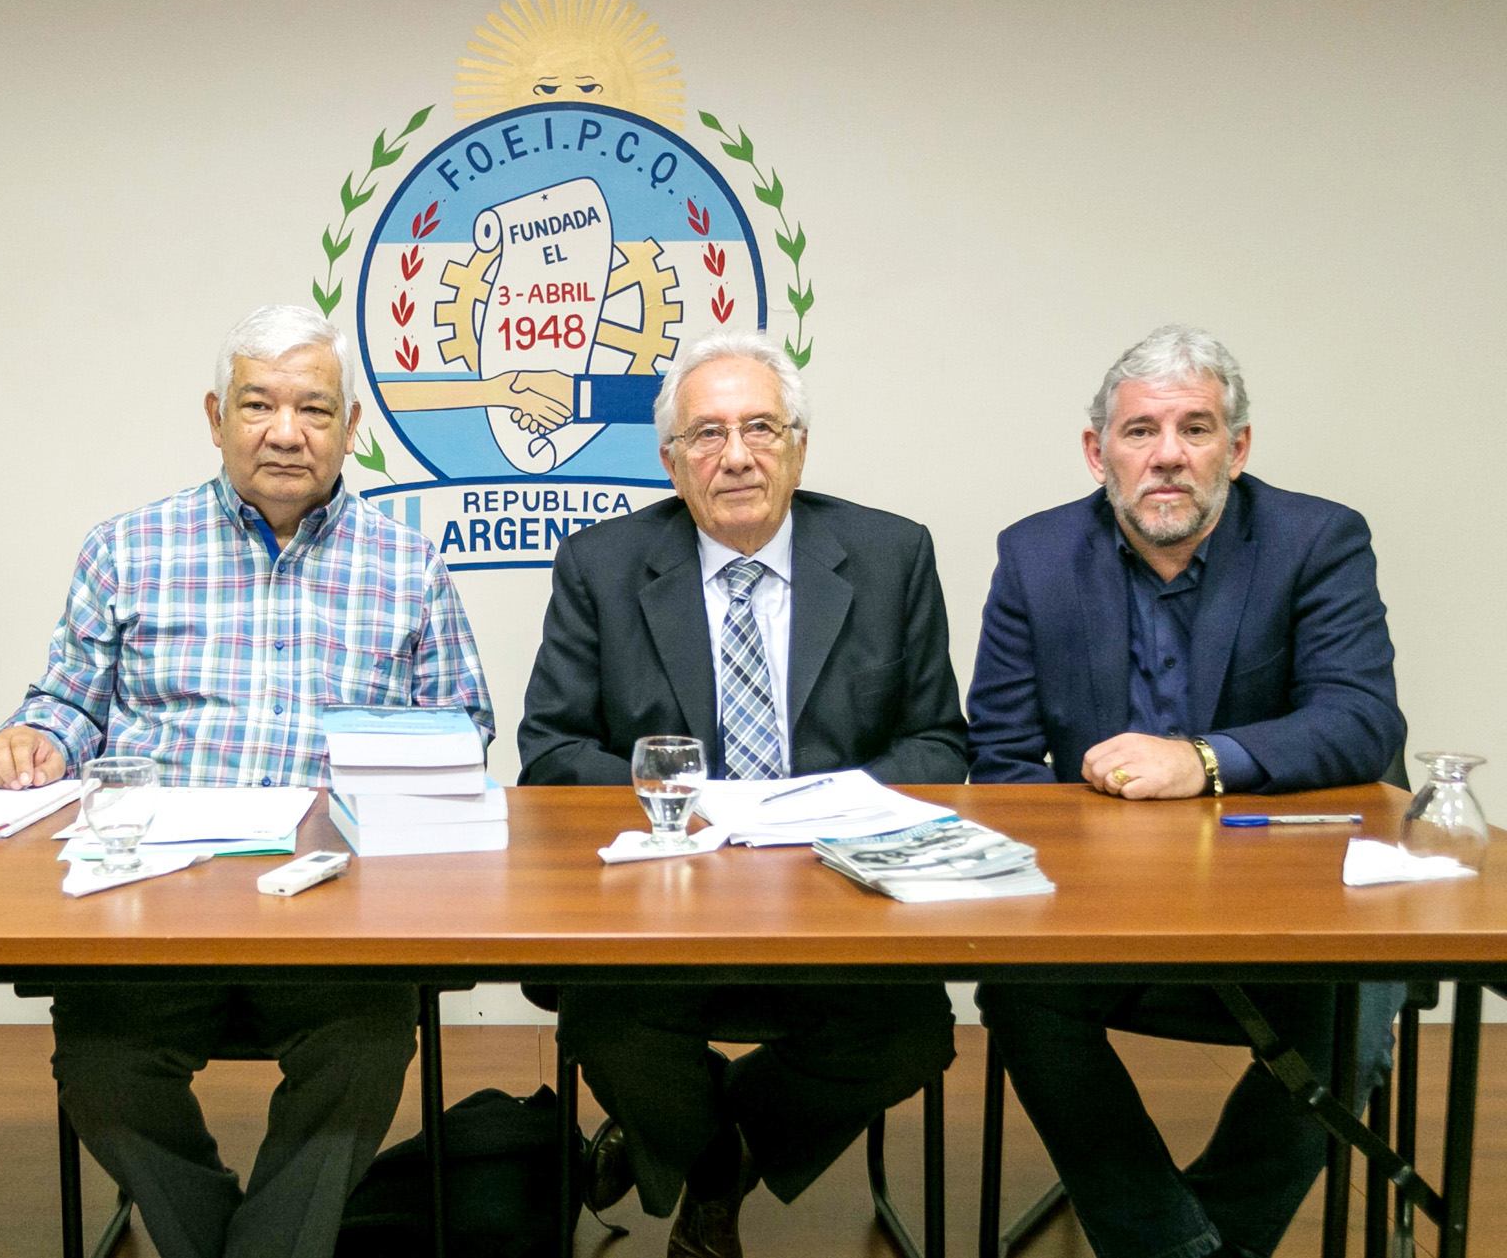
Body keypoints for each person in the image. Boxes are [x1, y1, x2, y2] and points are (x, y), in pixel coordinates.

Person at [0, 304, 492, 1258]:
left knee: (368, 1047)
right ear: (216, 417)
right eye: (258, 405)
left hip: (334, 907)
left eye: (314, 409)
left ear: (350, 428)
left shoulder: (409, 564)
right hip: (155, 900)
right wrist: (32, 739)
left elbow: (464, 729)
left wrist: (408, 766)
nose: (285, 432)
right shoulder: (126, 548)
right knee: (101, 1063)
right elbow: (69, 705)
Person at [517, 328, 966, 1258]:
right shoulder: (602, 565)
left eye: (761, 427)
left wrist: (817, 807)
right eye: (707, 434)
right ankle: (719, 1172)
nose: (736, 456)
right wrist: (697, 803)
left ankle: (708, 1150)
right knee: (602, 1014)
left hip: (838, 893)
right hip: (663, 899)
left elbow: (938, 743)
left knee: (913, 1029)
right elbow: (551, 751)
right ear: (671, 461)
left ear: (799, 445)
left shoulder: (891, 555)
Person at [967, 324, 1405, 1258]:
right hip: (1102, 911)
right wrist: (1091, 873)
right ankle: (1174, 1244)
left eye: (1195, 428)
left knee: (1363, 994)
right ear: (1099, 453)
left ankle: (1192, 1241)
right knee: (1015, 984)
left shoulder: (1318, 539)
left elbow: (1363, 721)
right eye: (1141, 431)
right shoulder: (1036, 556)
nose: (1168, 455)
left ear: (1236, 449)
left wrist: (1201, 760)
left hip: (1282, 907)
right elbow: (1000, 764)